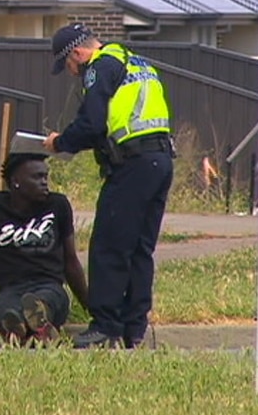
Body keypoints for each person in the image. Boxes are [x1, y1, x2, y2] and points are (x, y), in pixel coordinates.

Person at [43, 23, 174, 349]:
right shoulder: (137, 62)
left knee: (109, 245)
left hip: (132, 166)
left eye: (69, 66)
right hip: (160, 161)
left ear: (76, 53)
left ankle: (105, 326)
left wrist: (61, 143)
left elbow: (92, 123)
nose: (72, 73)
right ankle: (135, 328)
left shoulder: (99, 68)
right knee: (140, 249)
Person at [0, 153, 88, 343]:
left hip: (49, 285)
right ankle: (24, 327)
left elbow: (71, 261)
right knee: (6, 308)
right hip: (10, 287)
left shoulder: (57, 205)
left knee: (46, 301)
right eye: (37, 177)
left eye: (45, 177)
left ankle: (33, 324)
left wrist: (89, 305)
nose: (44, 182)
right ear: (16, 181)